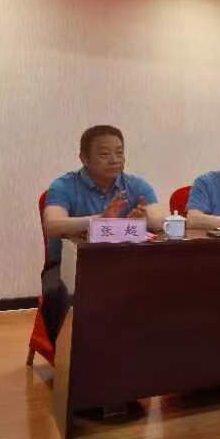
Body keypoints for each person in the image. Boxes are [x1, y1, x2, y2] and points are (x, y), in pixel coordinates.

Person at [42, 125, 163, 342]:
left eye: (119, 152)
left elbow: (160, 220)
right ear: (84, 159)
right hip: (70, 266)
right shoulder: (63, 185)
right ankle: (67, 359)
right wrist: (99, 220)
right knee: (56, 295)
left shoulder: (136, 185)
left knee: (161, 288)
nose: (115, 160)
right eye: (105, 154)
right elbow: (52, 225)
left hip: (124, 264)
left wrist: (144, 220)